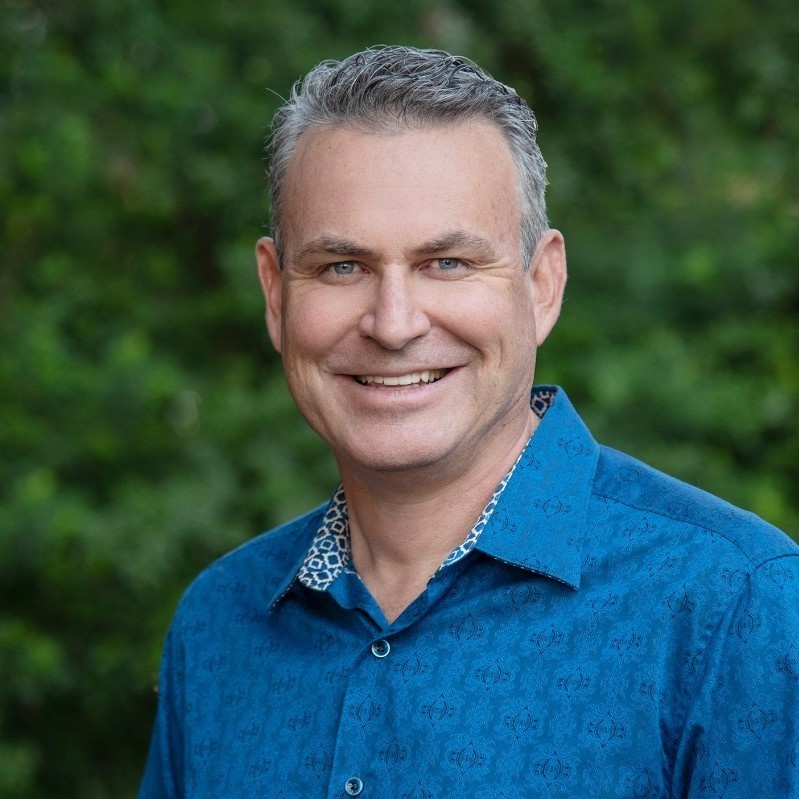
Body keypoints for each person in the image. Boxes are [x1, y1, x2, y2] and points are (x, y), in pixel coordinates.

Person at [138, 46, 799, 798]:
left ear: (541, 284)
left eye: (446, 263)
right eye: (342, 267)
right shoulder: (219, 625)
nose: (393, 324)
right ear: (275, 294)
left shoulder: (734, 607)